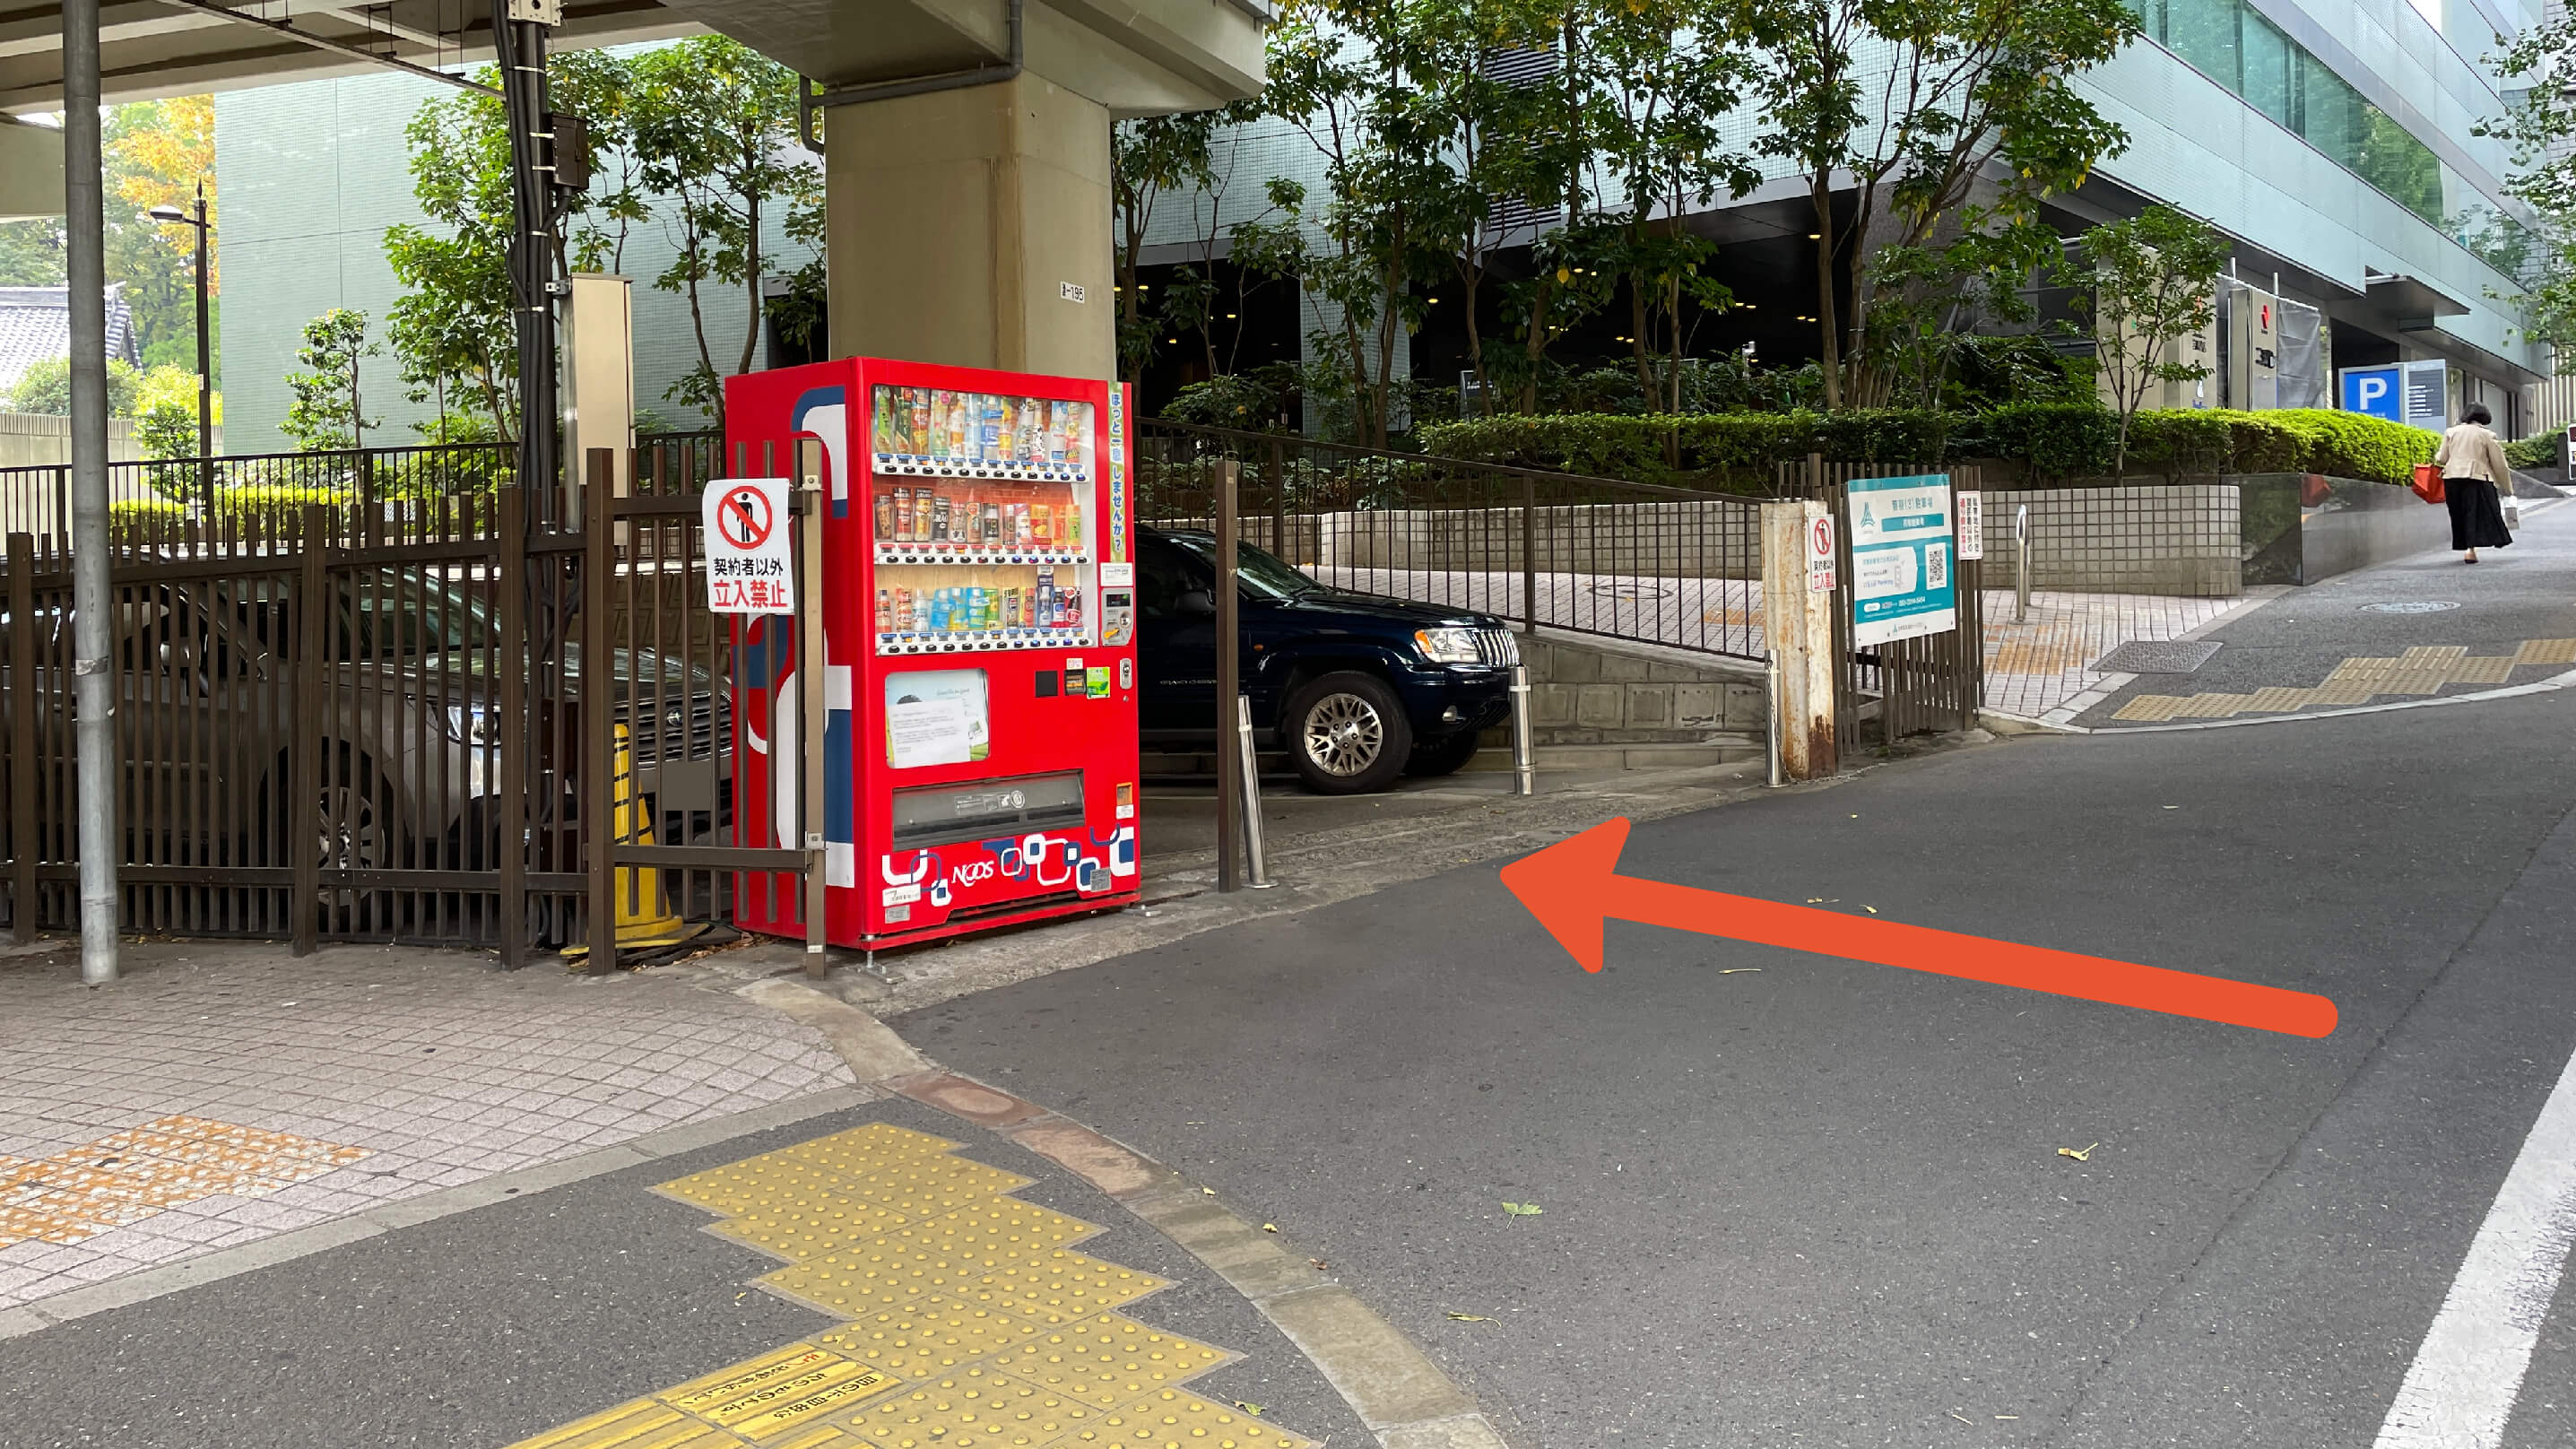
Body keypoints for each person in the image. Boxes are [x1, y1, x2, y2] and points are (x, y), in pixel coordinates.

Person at [2433, 403, 2515, 562]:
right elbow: (2500, 465)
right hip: (2477, 478)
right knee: (2476, 514)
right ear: (2484, 417)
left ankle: (2466, 548)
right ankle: (2471, 550)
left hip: (2451, 478)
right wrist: (2507, 487)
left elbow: (2442, 458)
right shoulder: (2487, 435)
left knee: (2459, 514)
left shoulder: (2451, 432)